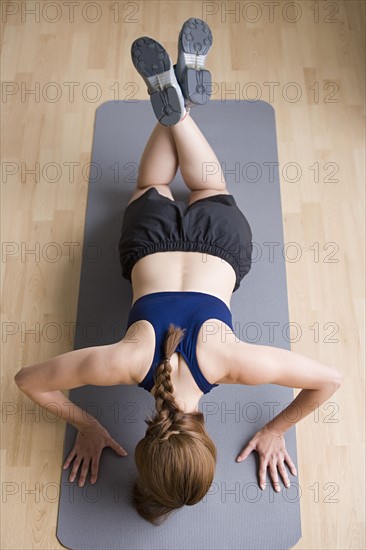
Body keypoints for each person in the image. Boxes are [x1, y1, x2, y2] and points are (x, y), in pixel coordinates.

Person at [14, 18, 343, 526]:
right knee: (152, 183)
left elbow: (329, 381)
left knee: (209, 188)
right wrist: (87, 424)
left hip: (219, 241)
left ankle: (181, 106)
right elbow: (27, 380)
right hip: (150, 242)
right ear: (145, 442)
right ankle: (174, 105)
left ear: (205, 437)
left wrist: (279, 427)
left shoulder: (234, 364)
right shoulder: (124, 363)